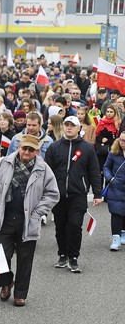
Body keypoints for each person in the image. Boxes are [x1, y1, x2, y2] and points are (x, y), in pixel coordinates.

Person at [0, 134, 60, 305]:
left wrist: (38, 212)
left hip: (29, 219)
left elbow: (53, 194)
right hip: (6, 215)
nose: (26, 152)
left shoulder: (44, 169)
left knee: (25, 259)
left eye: (31, 149)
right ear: (19, 147)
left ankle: (20, 294)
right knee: (1, 255)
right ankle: (6, 282)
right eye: (24, 148)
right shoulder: (4, 163)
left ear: (37, 151)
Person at [44, 116, 103, 273]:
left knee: (75, 225)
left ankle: (73, 257)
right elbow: (46, 172)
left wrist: (97, 194)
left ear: (79, 128)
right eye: (67, 125)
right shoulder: (54, 147)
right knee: (61, 226)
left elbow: (94, 172)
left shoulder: (87, 148)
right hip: (58, 195)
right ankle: (62, 255)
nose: (69, 128)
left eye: (72, 125)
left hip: (78, 195)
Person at [104, 131, 125, 250]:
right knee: (116, 212)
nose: (121, 143)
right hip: (116, 187)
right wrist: (110, 178)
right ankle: (115, 238)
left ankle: (123, 233)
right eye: (120, 140)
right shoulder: (113, 153)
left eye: (124, 141)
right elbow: (106, 167)